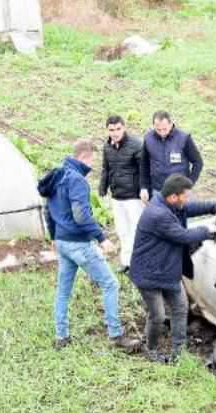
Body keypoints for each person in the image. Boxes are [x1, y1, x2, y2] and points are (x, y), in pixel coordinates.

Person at [38, 139, 140, 352]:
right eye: (93, 158)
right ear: (85, 156)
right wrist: (102, 239)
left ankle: (61, 336)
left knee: (63, 291)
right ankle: (116, 335)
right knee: (110, 284)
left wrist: (54, 237)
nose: (93, 164)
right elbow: (81, 215)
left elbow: (48, 210)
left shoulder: (57, 175)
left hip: (63, 243)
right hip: (78, 244)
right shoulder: (77, 180)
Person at [129, 174, 216, 363]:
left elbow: (190, 208)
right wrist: (208, 231)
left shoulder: (169, 203)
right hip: (148, 274)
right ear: (174, 197)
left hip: (168, 271)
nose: (188, 199)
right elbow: (183, 236)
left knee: (180, 308)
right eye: (185, 196)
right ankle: (150, 349)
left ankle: (178, 352)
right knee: (157, 315)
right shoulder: (158, 214)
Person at [98, 115, 144, 272]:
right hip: (117, 196)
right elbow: (106, 169)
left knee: (136, 230)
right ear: (107, 130)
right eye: (111, 130)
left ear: (124, 127)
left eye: (118, 129)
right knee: (122, 230)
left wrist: (144, 190)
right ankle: (126, 262)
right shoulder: (107, 147)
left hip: (133, 197)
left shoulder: (136, 145)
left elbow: (144, 170)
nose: (115, 133)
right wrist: (102, 188)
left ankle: (138, 263)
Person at [140, 111, 204, 202]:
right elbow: (144, 165)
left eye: (164, 129)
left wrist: (189, 184)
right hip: (158, 191)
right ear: (153, 126)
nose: (162, 132)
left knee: (181, 215)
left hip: (179, 192)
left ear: (171, 124)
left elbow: (198, 162)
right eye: (158, 129)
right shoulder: (148, 139)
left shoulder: (184, 138)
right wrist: (144, 187)